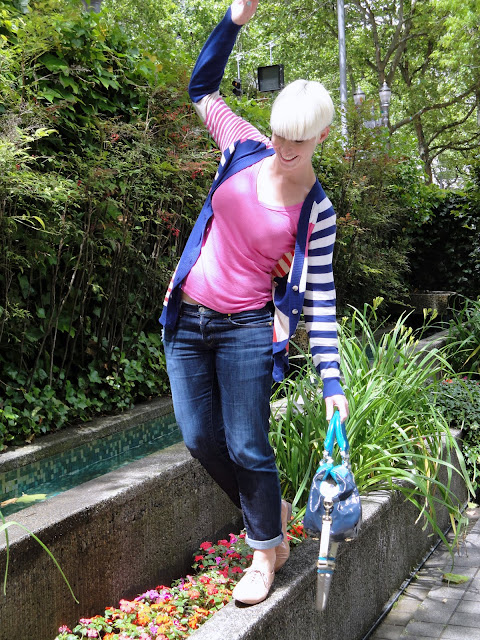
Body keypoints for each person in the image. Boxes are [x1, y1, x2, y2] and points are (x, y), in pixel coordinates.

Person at [160, 0, 349, 606]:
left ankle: (266, 553)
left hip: (246, 327)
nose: (285, 148)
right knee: (199, 439)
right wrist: (233, 20)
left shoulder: (317, 211)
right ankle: (273, 511)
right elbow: (202, 89)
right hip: (187, 317)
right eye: (279, 134)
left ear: (321, 137)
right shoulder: (243, 146)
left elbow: (320, 300)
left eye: (299, 140)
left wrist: (332, 382)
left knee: (247, 444)